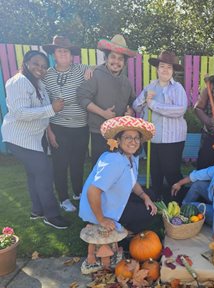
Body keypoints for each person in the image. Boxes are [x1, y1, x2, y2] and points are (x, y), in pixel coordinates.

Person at [79, 116, 158, 274]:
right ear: (118, 140)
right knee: (148, 214)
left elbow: (132, 181)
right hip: (102, 208)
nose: (133, 141)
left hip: (111, 199)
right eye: (128, 137)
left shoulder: (130, 157)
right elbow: (92, 191)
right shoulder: (114, 162)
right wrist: (101, 219)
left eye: (136, 138)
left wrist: (145, 197)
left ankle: (124, 227)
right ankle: (123, 232)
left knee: (150, 194)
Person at [1, 50, 69, 229]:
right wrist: (52, 109)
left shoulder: (37, 83)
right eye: (36, 64)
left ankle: (37, 211)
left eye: (44, 66)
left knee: (34, 174)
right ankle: (51, 215)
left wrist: (52, 111)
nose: (40, 68)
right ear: (26, 63)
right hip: (19, 137)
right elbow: (20, 112)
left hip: (32, 138)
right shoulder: (18, 82)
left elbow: (44, 108)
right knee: (44, 173)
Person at [42, 35, 91, 212]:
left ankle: (78, 192)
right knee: (60, 164)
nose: (63, 53)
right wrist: (49, 131)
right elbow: (43, 105)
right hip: (58, 127)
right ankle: (63, 198)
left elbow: (100, 71)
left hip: (81, 127)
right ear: (54, 54)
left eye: (66, 51)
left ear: (71, 55)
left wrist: (91, 71)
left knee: (78, 162)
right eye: (59, 50)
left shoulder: (81, 69)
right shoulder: (47, 76)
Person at [133, 50, 187, 201]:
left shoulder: (177, 88)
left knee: (171, 172)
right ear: (157, 68)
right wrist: (145, 99)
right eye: (162, 66)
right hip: (152, 138)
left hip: (172, 139)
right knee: (155, 172)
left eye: (169, 67)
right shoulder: (150, 86)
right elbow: (136, 106)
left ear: (173, 71)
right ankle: (155, 202)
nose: (165, 70)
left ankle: (178, 201)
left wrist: (153, 104)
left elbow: (180, 110)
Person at [77, 34, 136, 166]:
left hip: (119, 134)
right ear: (106, 58)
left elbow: (132, 101)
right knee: (100, 168)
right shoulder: (95, 75)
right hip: (99, 133)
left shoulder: (126, 82)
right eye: (113, 57)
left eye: (120, 59)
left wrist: (130, 110)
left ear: (125, 62)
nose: (116, 61)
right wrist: (103, 113)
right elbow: (82, 97)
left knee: (117, 167)